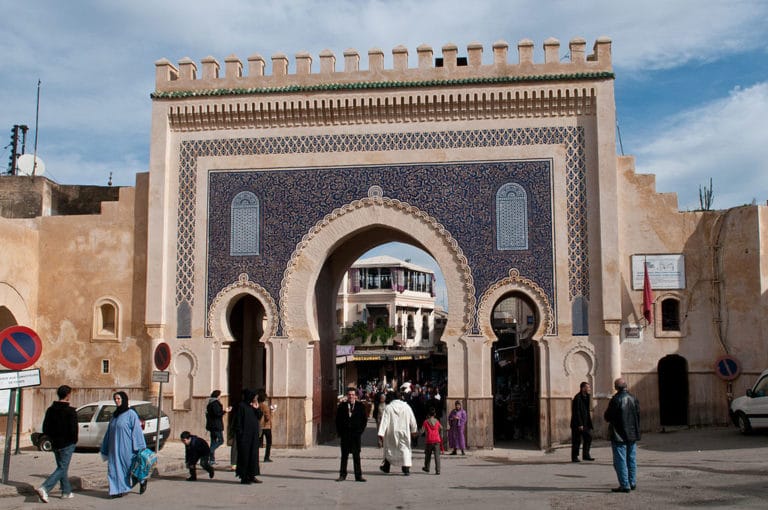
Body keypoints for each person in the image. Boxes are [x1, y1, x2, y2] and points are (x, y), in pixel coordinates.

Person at [100, 391, 148, 498]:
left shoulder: (131, 414)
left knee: (128, 469)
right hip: (114, 448)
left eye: (118, 399)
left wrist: (140, 447)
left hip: (127, 448)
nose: (116, 401)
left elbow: (137, 431)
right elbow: (109, 432)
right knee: (113, 469)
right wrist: (105, 447)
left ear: (124, 400)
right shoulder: (115, 415)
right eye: (115, 399)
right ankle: (116, 490)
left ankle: (142, 480)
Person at [36, 385, 78, 502]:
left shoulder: (50, 410)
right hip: (67, 444)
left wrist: (53, 438)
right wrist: (73, 441)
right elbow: (74, 430)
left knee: (62, 467)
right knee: (62, 468)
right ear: (68, 395)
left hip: (55, 443)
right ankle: (45, 488)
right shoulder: (70, 411)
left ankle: (66, 491)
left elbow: (45, 428)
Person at [604, 378, 641, 493]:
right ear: (626, 386)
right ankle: (632, 482)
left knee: (620, 460)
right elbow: (638, 416)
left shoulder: (616, 399)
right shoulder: (633, 398)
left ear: (616, 387)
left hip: (618, 434)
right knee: (631, 459)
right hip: (632, 433)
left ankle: (625, 485)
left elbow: (608, 416)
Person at [377, 386, 418, 475]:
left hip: (391, 432)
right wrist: (414, 430)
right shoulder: (407, 407)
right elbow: (413, 420)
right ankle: (406, 468)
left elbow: (384, 421)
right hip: (404, 431)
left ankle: (386, 467)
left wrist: (381, 434)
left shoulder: (388, 408)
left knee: (390, 449)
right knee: (405, 449)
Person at [335, 386, 368, 482]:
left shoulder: (360, 406)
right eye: (349, 395)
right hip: (345, 435)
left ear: (356, 396)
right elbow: (337, 421)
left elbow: (364, 421)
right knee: (344, 456)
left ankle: (358, 476)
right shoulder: (342, 406)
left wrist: (359, 432)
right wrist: (340, 433)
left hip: (355, 436)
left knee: (356, 456)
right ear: (347, 395)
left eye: (353, 395)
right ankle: (342, 475)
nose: (351, 396)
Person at [233, 389, 263, 484]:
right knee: (244, 457)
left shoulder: (252, 406)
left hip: (253, 436)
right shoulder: (241, 406)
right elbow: (238, 422)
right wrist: (240, 435)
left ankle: (252, 475)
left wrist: (257, 408)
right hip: (244, 437)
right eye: (254, 397)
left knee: (253, 456)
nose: (255, 399)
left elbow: (259, 416)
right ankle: (244, 477)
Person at [571, 381, 595, 462]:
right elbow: (576, 412)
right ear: (583, 388)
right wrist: (580, 424)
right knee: (576, 440)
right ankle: (574, 457)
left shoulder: (587, 397)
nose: (589, 389)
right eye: (587, 387)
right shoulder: (577, 398)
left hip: (586, 422)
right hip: (577, 423)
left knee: (588, 437)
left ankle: (586, 455)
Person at [205, 390, 231, 465]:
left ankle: (212, 459)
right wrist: (225, 411)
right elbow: (217, 414)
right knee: (221, 440)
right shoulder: (215, 403)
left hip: (211, 425)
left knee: (213, 441)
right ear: (217, 395)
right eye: (219, 395)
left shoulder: (210, 403)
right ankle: (210, 451)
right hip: (216, 425)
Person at [421, 407, 443, 475]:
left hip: (429, 440)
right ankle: (438, 470)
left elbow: (422, 431)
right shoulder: (437, 421)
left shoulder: (426, 422)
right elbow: (441, 428)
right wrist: (440, 435)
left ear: (428, 414)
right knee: (437, 456)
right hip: (437, 440)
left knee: (428, 455)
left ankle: (427, 467)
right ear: (435, 414)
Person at [257, 390, 274, 463]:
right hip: (266, 426)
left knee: (258, 443)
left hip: (259, 426)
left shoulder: (257, 405)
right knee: (269, 442)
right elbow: (267, 418)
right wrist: (272, 412)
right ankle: (266, 457)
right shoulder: (265, 406)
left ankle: (255, 457)